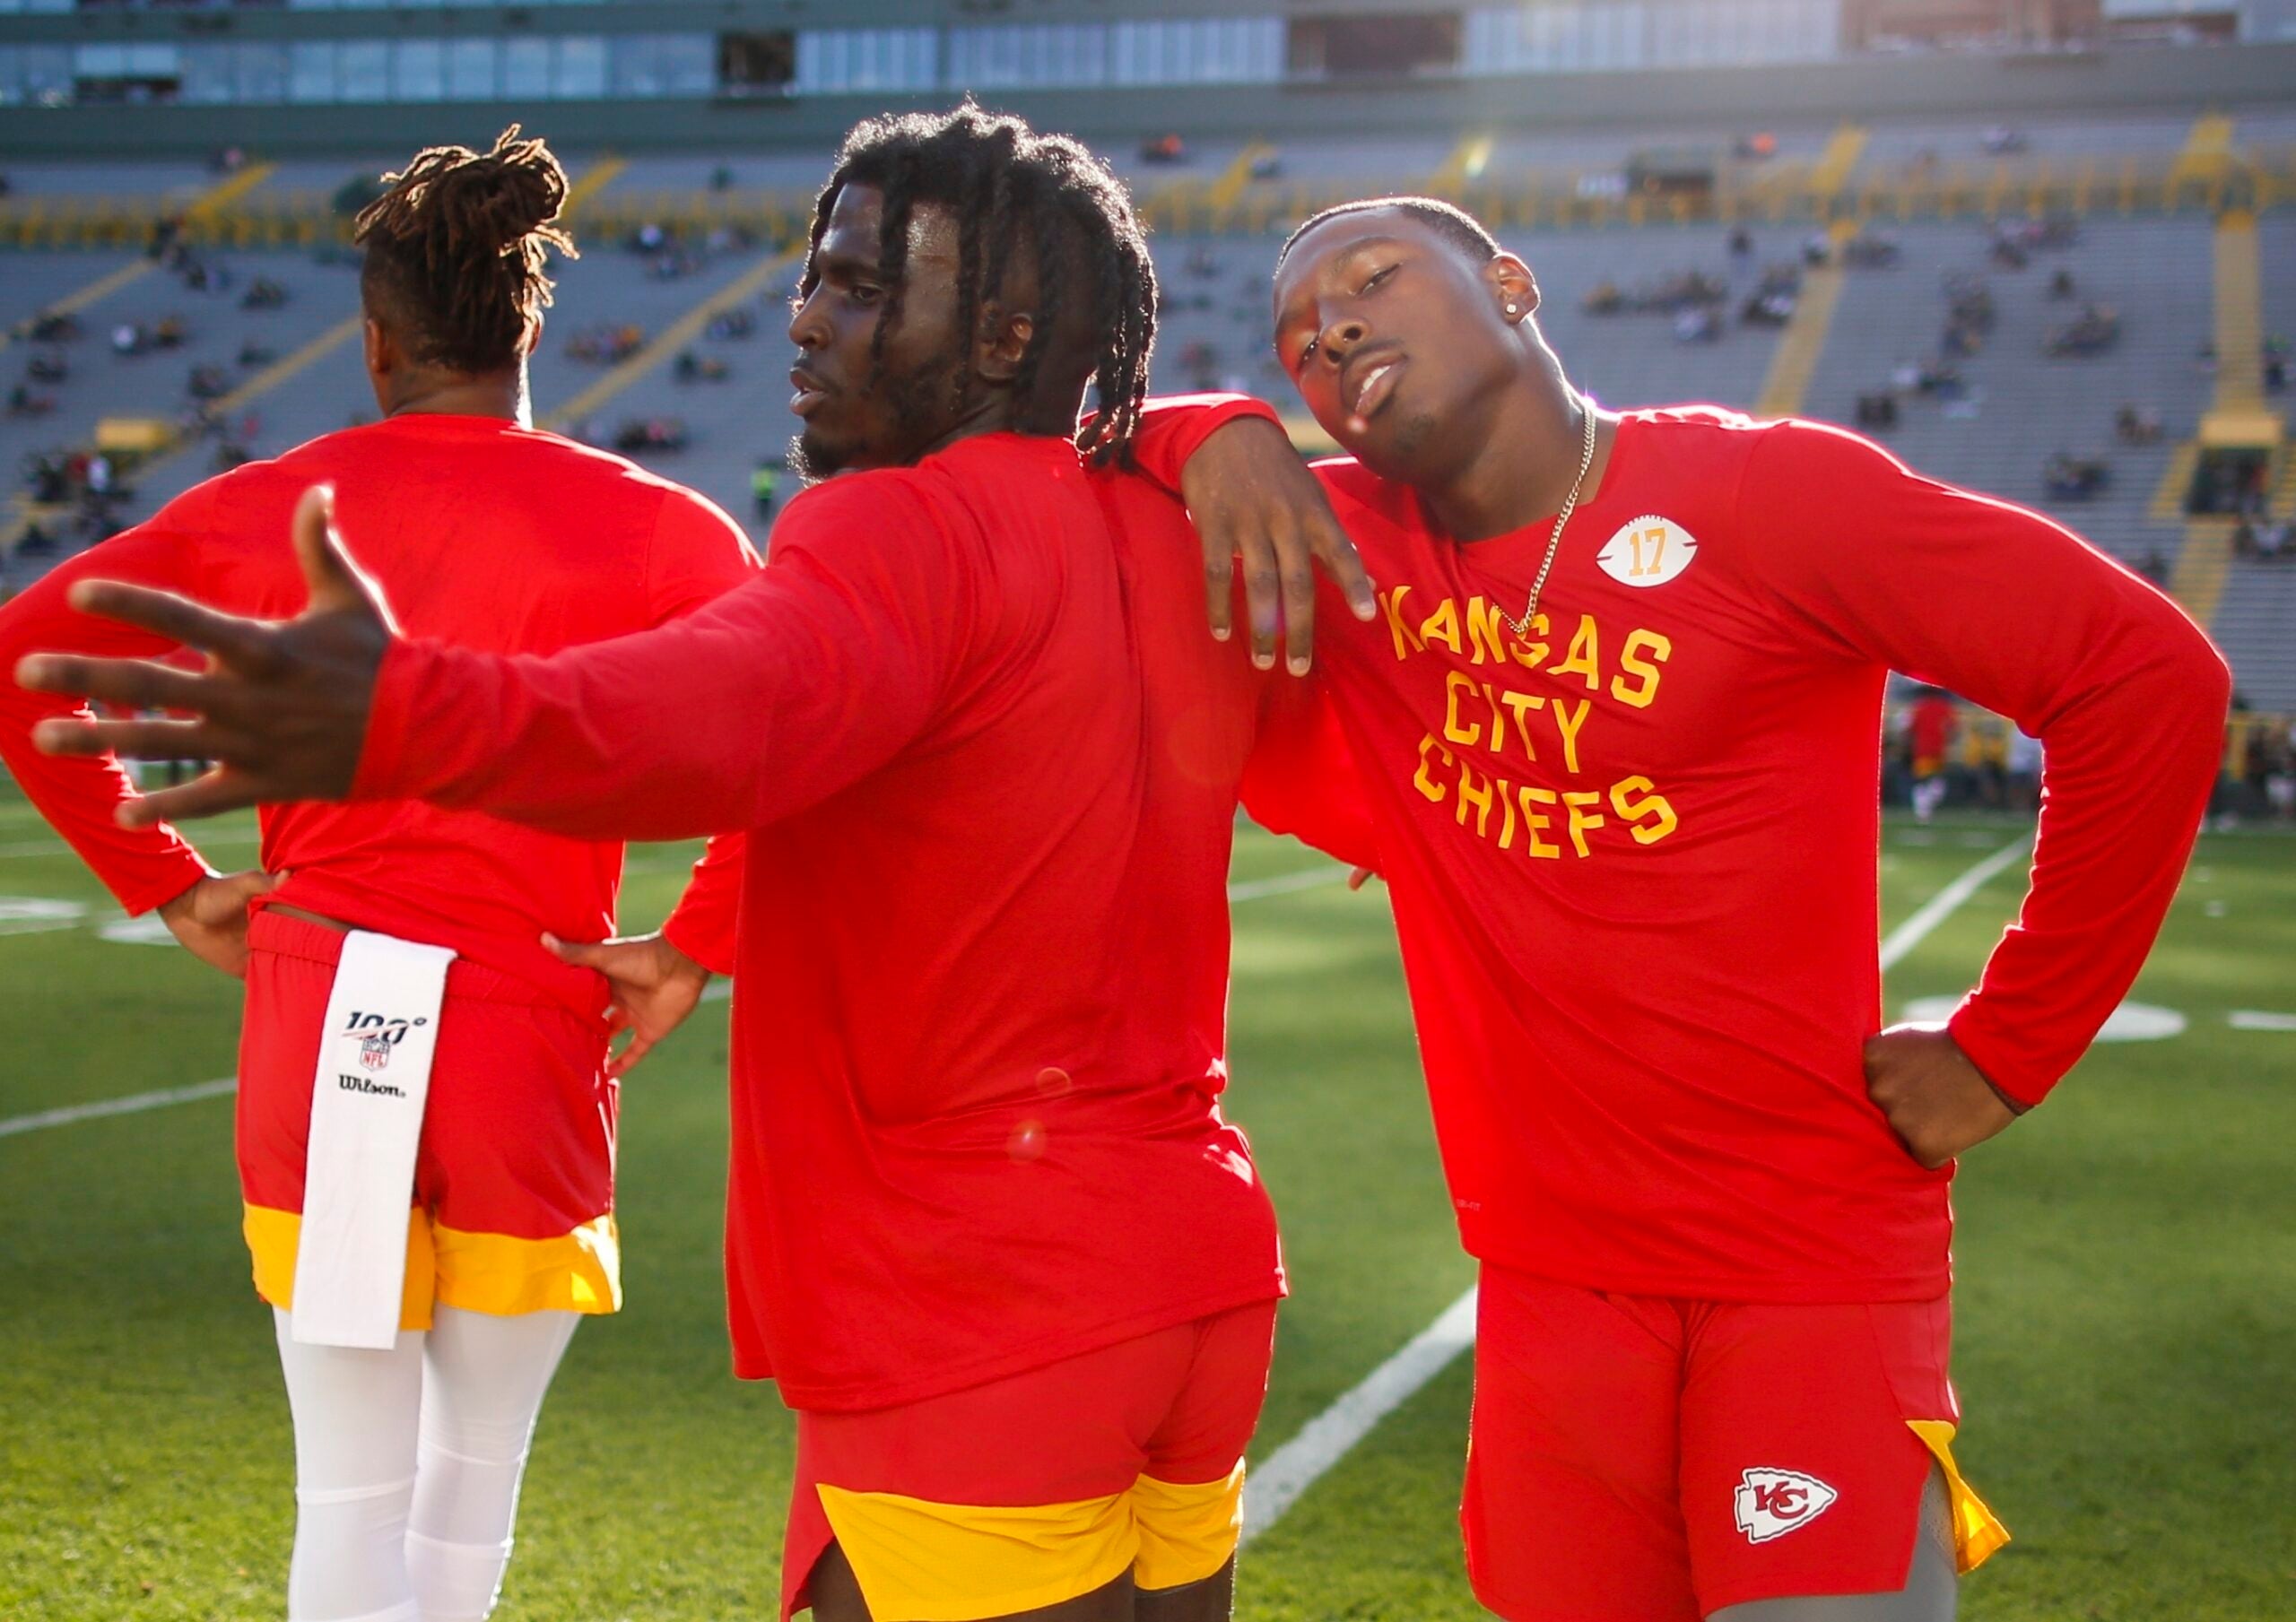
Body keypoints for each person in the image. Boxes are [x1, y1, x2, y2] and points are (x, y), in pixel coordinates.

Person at [21, 107, 1378, 1622]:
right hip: (1183, 1257)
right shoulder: (1179, 522)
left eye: (862, 287)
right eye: (820, 275)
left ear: (1000, 333)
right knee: (471, 1469)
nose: (806, 316)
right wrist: (1214, 419)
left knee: (354, 1482)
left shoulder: (896, 529)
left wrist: (394, 719)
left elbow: (731, 708)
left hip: (964, 1295)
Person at [1124, 195, 2229, 1621]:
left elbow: (2144, 677)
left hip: (1803, 1271)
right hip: (1545, 1290)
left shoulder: (1767, 496)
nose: (1332, 330)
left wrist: (2011, 1042)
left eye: (1376, 280)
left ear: (1510, 283)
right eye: (1300, 345)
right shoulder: (1342, 545)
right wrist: (1212, 429)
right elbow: (1073, 463)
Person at [0, 126, 758, 1622]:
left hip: (322, 1002)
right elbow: (812, 733)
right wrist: (692, 940)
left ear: (372, 345)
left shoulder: (271, 507)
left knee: (345, 1498)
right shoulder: (670, 527)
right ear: (529, 326)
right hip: (526, 1025)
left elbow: (24, 663)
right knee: (469, 1492)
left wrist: (164, 876)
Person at [1907, 688, 1958, 822]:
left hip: (1922, 750)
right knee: (1936, 782)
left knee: (1923, 782)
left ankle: (1923, 810)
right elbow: (1954, 727)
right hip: (1938, 750)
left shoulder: (1919, 707)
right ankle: (1925, 808)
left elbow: (1910, 729)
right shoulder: (1945, 707)